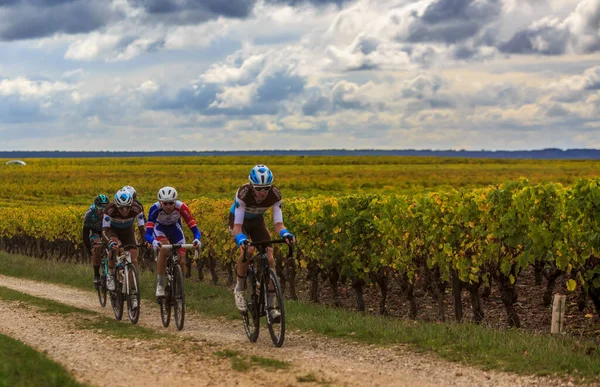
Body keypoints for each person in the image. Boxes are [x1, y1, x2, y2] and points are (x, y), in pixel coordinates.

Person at [229, 165, 295, 320]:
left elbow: (278, 224)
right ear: (252, 186)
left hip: (257, 222)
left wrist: (286, 233)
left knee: (270, 258)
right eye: (259, 188)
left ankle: (271, 307)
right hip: (239, 223)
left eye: (266, 188)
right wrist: (241, 239)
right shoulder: (243, 194)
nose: (263, 192)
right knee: (249, 251)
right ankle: (239, 288)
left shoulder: (275, 195)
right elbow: (237, 227)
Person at [145, 186, 201, 297]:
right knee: (164, 248)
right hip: (160, 229)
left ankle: (179, 287)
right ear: (160, 202)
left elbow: (194, 228)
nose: (168, 206)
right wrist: (153, 241)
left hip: (175, 229)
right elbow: (147, 233)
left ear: (175, 201)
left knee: (181, 259)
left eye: (171, 203)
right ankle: (160, 285)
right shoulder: (154, 208)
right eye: (165, 203)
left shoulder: (182, 207)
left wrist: (197, 239)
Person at [102, 189, 145, 298]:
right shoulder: (109, 210)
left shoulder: (136, 208)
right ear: (116, 205)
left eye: (127, 207)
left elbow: (142, 228)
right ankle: (111, 274)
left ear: (131, 205)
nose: (125, 210)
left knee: (134, 259)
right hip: (112, 231)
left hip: (127, 231)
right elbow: (104, 231)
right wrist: (109, 242)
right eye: (121, 208)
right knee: (114, 247)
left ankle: (133, 292)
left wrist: (144, 241)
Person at [83, 194, 110, 286]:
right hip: (94, 231)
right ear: (96, 207)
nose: (103, 212)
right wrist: (89, 248)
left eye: (104, 210)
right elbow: (85, 233)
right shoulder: (89, 213)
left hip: (106, 230)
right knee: (97, 247)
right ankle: (96, 275)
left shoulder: (111, 212)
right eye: (100, 210)